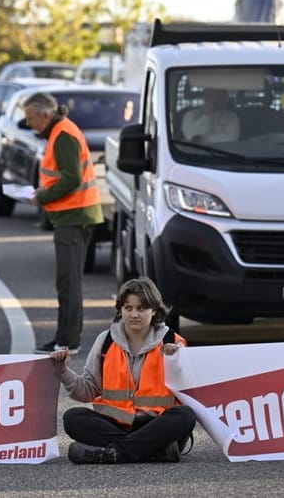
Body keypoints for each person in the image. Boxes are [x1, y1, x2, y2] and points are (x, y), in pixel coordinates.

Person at [49, 277, 197, 464]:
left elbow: (190, 394)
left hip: (155, 424)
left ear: (154, 311)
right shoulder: (106, 340)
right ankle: (154, 452)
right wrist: (63, 371)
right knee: (72, 418)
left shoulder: (173, 341)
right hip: (115, 424)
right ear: (120, 310)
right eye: (128, 308)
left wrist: (175, 362)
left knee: (185, 416)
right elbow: (87, 390)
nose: (134, 314)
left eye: (141, 308)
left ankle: (114, 453)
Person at [25, 92, 103, 355]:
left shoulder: (62, 134)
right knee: (68, 282)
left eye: (31, 118)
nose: (29, 124)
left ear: (46, 115)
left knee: (68, 283)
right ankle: (66, 338)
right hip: (72, 216)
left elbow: (71, 179)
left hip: (74, 216)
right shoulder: (59, 131)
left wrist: (42, 196)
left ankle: (68, 341)